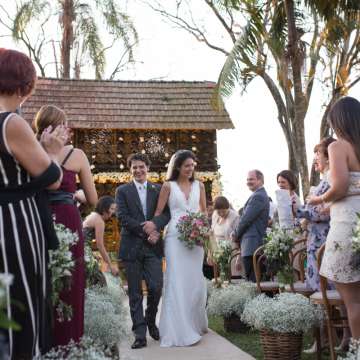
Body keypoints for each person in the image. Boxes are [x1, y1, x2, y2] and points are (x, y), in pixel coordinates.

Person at [0, 48, 67, 358]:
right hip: (15, 225)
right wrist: (52, 152)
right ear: (24, 83)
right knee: (21, 305)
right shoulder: (11, 124)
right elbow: (52, 178)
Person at [34, 104, 98, 346]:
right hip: (68, 218)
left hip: (36, 217)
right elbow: (93, 200)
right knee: (70, 282)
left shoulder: (30, 149)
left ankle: (41, 344)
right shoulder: (77, 155)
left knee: (40, 279)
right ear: (62, 126)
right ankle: (69, 342)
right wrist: (78, 194)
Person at [308, 96, 360, 341]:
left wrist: (318, 199)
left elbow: (339, 187)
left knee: (354, 302)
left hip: (349, 227)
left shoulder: (338, 146)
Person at [154, 150, 208, 347]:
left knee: (194, 282)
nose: (190, 169)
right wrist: (154, 232)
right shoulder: (168, 186)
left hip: (196, 241)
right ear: (177, 167)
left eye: (193, 165)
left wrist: (203, 232)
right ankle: (178, 330)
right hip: (174, 239)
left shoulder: (200, 186)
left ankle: (194, 323)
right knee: (176, 279)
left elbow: (203, 212)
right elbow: (159, 212)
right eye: (187, 165)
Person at [116, 153, 170, 349]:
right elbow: (122, 216)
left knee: (156, 287)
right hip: (131, 247)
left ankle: (150, 319)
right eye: (134, 167)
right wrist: (145, 229)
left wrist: (155, 226)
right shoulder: (122, 190)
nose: (138, 170)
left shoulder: (158, 189)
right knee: (135, 293)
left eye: (141, 167)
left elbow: (166, 213)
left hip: (153, 247)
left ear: (148, 168)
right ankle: (139, 333)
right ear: (130, 169)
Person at [293, 137, 335, 291]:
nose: (315, 158)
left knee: (325, 288)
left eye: (318, 154)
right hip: (314, 239)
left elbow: (325, 213)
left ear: (330, 158)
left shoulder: (332, 180)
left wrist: (298, 211)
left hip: (323, 239)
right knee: (317, 288)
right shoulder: (323, 182)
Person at [233, 170, 270, 282]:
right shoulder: (257, 195)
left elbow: (246, 220)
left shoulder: (258, 196)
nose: (248, 182)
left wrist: (235, 234)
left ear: (260, 180)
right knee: (255, 280)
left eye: (251, 179)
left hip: (253, 244)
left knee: (255, 282)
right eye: (247, 179)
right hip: (251, 245)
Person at [83, 196, 119, 276]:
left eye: (114, 209)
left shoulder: (93, 215)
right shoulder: (99, 221)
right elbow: (100, 245)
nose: (113, 212)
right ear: (104, 208)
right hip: (83, 251)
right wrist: (110, 265)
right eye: (111, 209)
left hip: (83, 250)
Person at [211, 196, 240, 278]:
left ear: (228, 208)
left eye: (223, 211)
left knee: (233, 277)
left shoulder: (235, 217)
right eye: (218, 212)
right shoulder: (215, 215)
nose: (221, 214)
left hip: (232, 253)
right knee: (222, 278)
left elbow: (239, 238)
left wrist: (238, 258)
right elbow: (212, 233)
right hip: (219, 253)